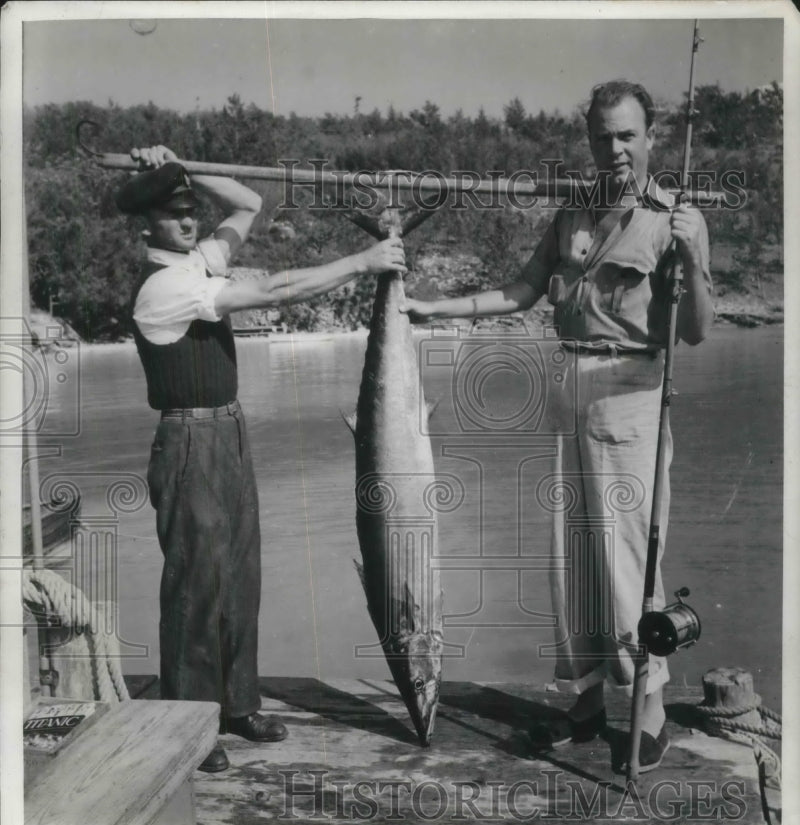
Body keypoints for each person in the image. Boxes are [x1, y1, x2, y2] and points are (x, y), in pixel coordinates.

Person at [403, 81, 713, 772]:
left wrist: (691, 255)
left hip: (632, 391)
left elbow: (694, 332)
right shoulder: (572, 211)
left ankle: (650, 708)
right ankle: (584, 705)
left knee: (627, 561)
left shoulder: (674, 217)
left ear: (651, 137)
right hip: (568, 386)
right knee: (570, 559)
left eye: (627, 135)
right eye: (603, 136)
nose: (615, 149)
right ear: (589, 140)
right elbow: (521, 290)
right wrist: (434, 310)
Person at [116, 144, 405, 773]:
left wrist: (184, 162)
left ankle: (237, 705)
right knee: (196, 583)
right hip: (188, 439)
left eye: (191, 208)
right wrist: (365, 261)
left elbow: (249, 202)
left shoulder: (200, 260)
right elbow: (276, 289)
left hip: (231, 431)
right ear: (147, 226)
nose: (189, 221)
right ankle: (190, 722)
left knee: (241, 572)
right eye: (173, 213)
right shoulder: (164, 285)